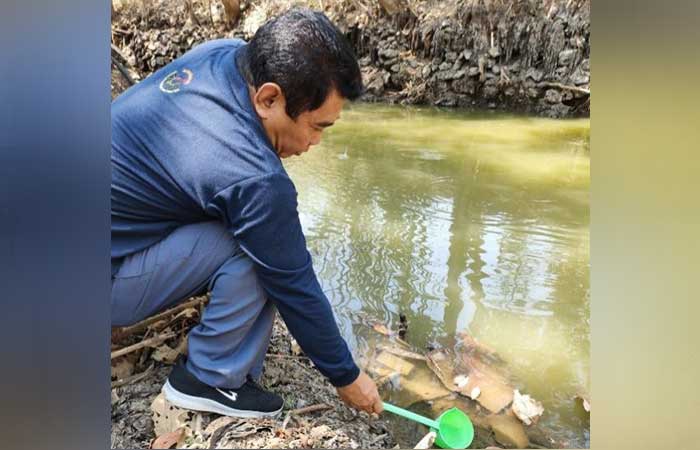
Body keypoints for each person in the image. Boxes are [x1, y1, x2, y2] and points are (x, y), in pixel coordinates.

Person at [111, 7, 383, 418]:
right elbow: (295, 283)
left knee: (258, 231)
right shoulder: (255, 177)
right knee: (259, 248)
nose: (315, 142)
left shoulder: (223, 55)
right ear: (269, 98)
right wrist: (347, 376)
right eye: (317, 127)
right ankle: (209, 378)